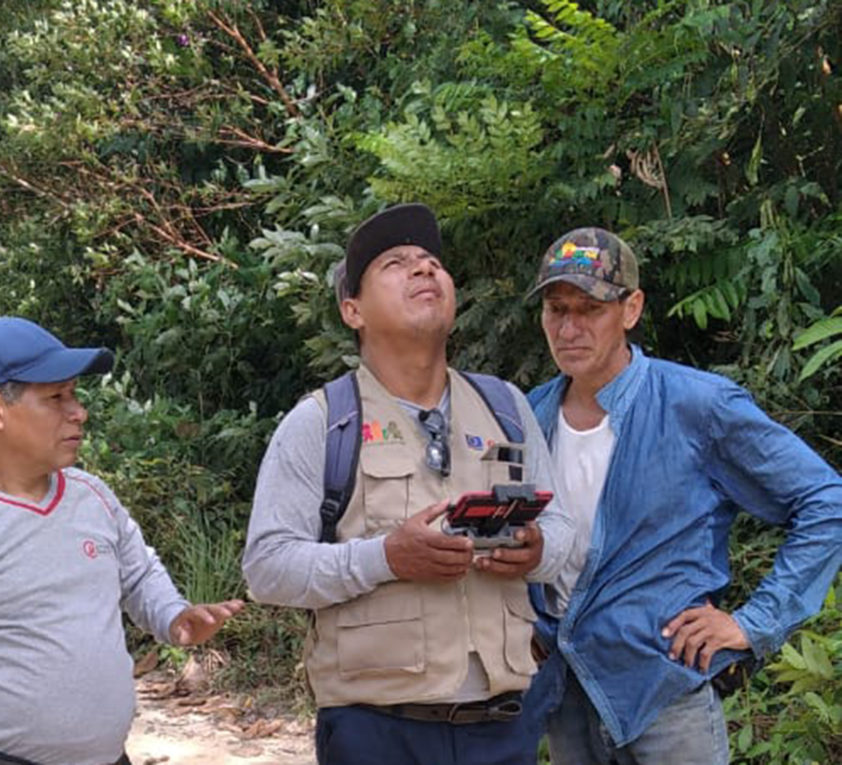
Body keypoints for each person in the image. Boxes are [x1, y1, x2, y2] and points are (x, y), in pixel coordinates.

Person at [243, 203, 574, 765]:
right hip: (376, 730)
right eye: (395, 264)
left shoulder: (505, 407)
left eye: (431, 262)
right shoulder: (324, 422)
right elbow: (267, 568)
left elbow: (563, 529)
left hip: (503, 727)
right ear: (352, 310)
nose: (424, 269)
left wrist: (538, 552)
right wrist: (386, 559)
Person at [523, 227, 842, 764]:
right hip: (568, 694)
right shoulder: (528, 415)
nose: (569, 328)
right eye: (556, 310)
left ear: (631, 309)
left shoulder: (697, 406)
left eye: (590, 309)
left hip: (664, 690)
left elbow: (826, 502)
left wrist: (753, 623)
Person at [0, 317, 244, 765]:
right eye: (56, 397)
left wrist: (173, 615)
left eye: (74, 394)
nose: (78, 412)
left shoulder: (92, 497)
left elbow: (139, 573)